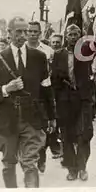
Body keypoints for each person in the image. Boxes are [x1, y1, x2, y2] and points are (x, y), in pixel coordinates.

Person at [0, 16, 56, 188]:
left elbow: (46, 89)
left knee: (30, 164)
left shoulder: (39, 57)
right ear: (9, 33)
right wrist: (6, 89)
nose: (23, 35)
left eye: (25, 31)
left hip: (32, 119)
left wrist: (52, 117)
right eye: (18, 31)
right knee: (9, 164)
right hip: (7, 120)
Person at [51, 9, 96, 181]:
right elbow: (54, 79)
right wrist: (56, 98)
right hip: (65, 100)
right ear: (65, 37)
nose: (73, 37)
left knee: (84, 134)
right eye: (70, 34)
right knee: (66, 134)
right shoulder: (58, 54)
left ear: (81, 35)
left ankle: (82, 167)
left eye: (76, 34)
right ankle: (72, 168)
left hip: (83, 98)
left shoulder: (85, 50)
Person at [26, 21, 61, 172]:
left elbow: (52, 73)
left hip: (43, 93)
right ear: (26, 33)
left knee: (43, 128)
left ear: (40, 33)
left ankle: (42, 156)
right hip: (26, 95)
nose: (33, 34)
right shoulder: (21, 50)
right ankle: (30, 159)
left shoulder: (48, 51)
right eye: (30, 31)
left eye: (35, 32)